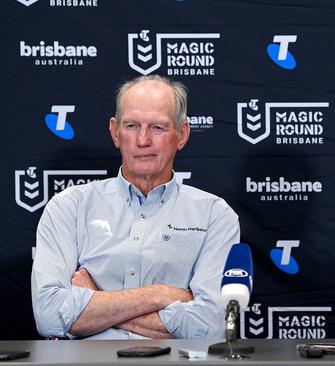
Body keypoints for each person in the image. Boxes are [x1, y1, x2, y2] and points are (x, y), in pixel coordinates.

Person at [31, 75, 240, 339]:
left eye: (158, 128)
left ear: (182, 134)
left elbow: (211, 326)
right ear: (114, 132)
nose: (142, 140)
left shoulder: (215, 216)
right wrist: (160, 295)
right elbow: (50, 316)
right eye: (131, 125)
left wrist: (96, 300)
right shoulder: (69, 207)